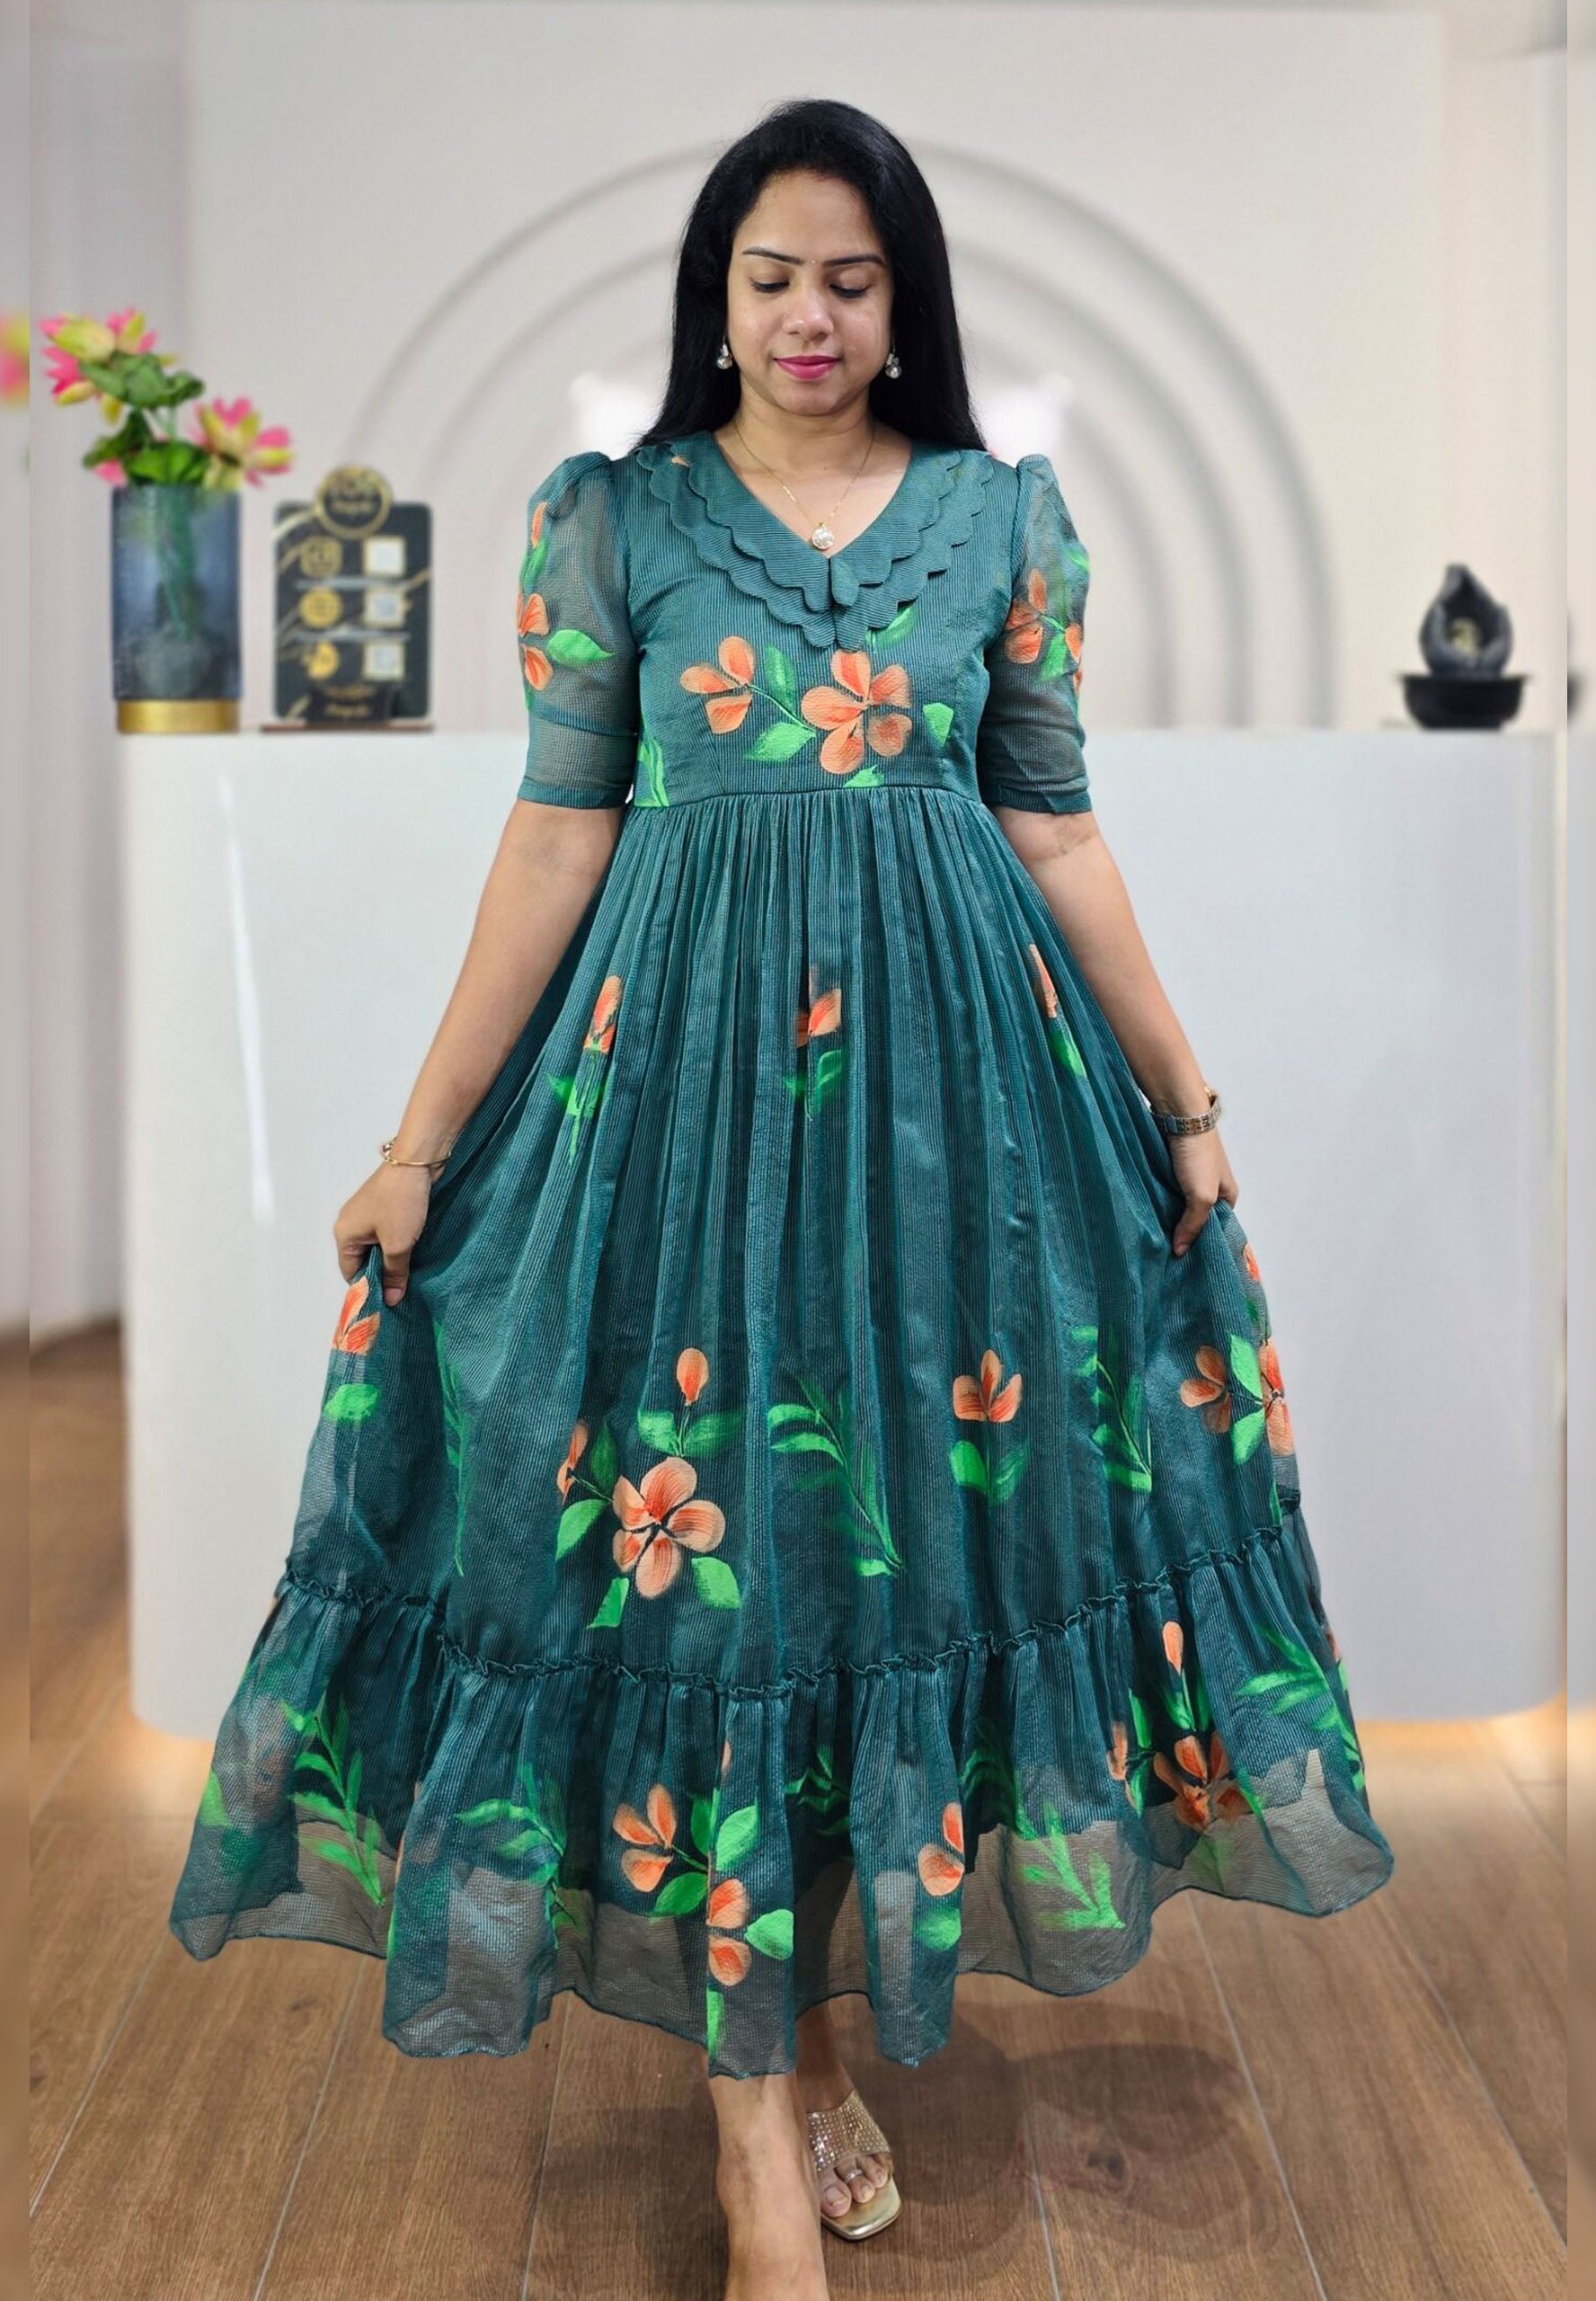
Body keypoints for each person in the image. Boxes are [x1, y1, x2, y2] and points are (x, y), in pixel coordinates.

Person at [167, 97, 1395, 2301]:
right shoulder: (613, 517)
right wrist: (420, 1139)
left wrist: (1186, 1096)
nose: (808, 314)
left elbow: (1055, 825)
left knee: (867, 1574)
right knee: (715, 1592)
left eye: (849, 276)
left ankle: (811, 2038)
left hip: (952, 1136)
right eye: (770, 276)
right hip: (682, 1123)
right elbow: (558, 828)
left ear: (904, 298)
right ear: (713, 294)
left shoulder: (1005, 519)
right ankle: (754, 2140)